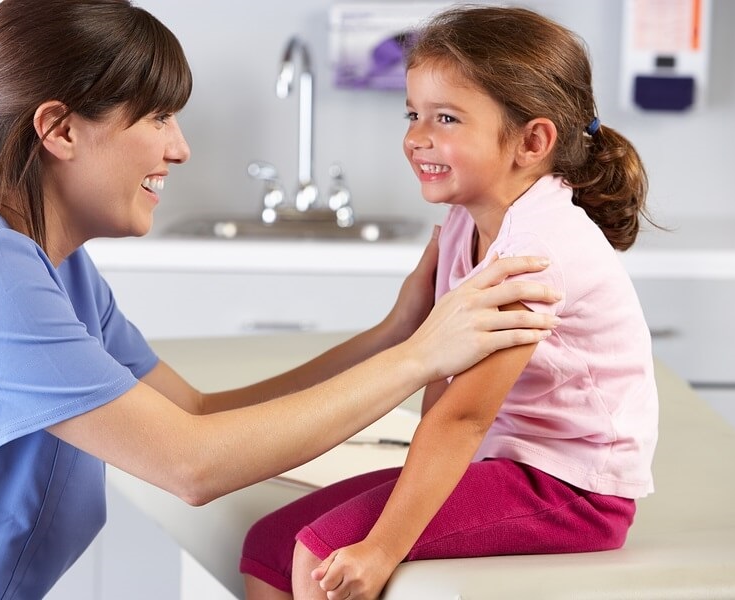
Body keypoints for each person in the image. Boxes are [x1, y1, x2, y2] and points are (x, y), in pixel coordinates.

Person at [0, 1, 562, 598]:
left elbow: (192, 412)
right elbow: (191, 463)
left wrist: (395, 333)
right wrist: (417, 360)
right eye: (158, 117)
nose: (181, 147)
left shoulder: (40, 260)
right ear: (61, 129)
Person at [240, 6, 660, 600]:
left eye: (446, 117)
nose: (416, 136)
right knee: (269, 545)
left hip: (573, 492)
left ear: (532, 141)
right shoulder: (465, 221)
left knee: (320, 558)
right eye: (413, 113)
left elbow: (465, 415)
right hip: (503, 464)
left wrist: (382, 546)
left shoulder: (537, 254)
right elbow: (439, 372)